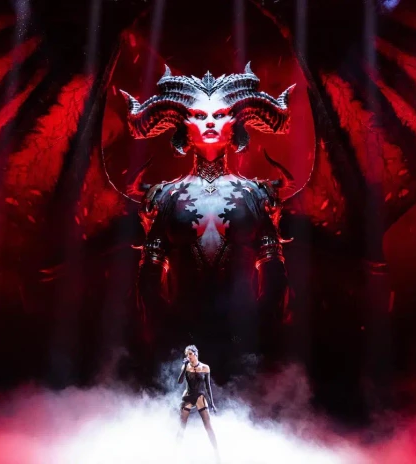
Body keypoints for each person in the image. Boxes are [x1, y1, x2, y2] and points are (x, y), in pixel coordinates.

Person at [120, 63, 294, 360]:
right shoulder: (165, 196)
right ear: (184, 126)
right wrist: (166, 328)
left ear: (234, 124)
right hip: (179, 341)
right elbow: (148, 280)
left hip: (247, 341)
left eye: (221, 114)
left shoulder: (256, 194)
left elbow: (275, 276)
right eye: (200, 116)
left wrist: (259, 324)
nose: (211, 122)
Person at [176, 345, 218, 454]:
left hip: (200, 396)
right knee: (182, 425)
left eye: (190, 354)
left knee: (208, 425)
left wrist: (212, 403)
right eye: (187, 354)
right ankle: (175, 451)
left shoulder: (205, 367)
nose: (188, 356)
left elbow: (208, 387)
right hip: (188, 395)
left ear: (196, 354)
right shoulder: (186, 366)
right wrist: (185, 366)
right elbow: (179, 382)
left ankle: (216, 451)